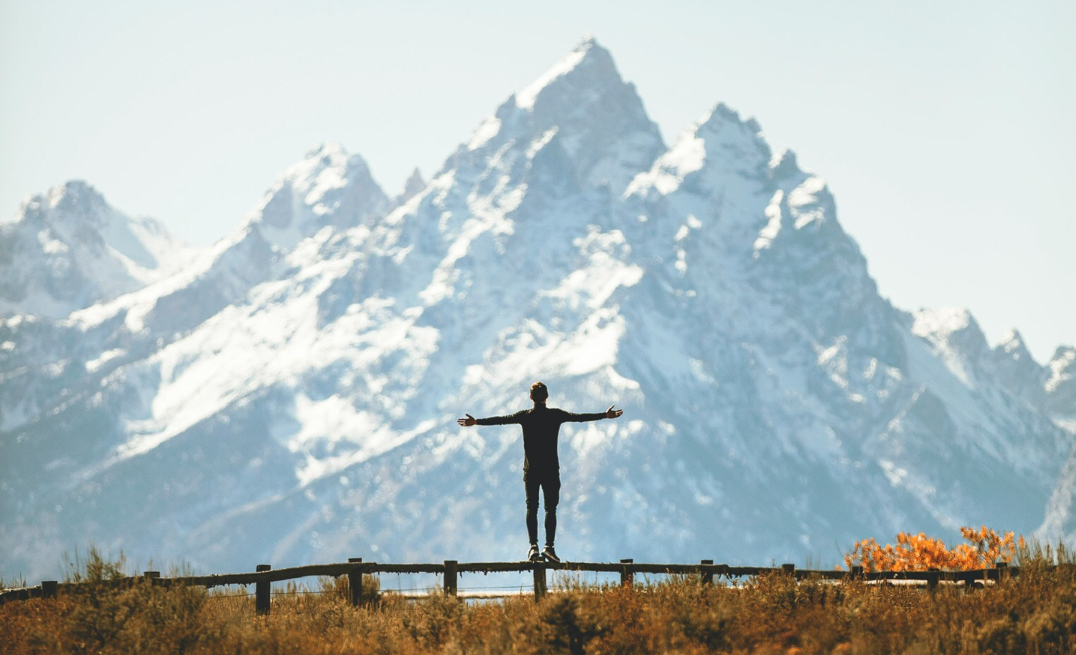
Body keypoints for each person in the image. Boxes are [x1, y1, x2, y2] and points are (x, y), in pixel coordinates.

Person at [457, 381, 623, 563]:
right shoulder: (555, 415)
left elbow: (500, 420)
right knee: (550, 509)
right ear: (547, 396)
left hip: (531, 471)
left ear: (530, 398)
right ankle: (549, 548)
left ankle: (533, 547)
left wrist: (476, 422)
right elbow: (579, 417)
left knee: (531, 507)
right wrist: (604, 415)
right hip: (551, 470)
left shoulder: (525, 416)